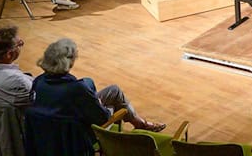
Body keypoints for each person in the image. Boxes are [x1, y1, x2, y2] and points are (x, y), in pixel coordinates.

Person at [31, 38, 165, 138]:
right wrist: (100, 105)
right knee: (115, 103)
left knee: (113, 90)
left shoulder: (38, 81)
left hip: (51, 135)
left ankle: (139, 122)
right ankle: (139, 124)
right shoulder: (76, 89)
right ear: (68, 63)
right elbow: (103, 118)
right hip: (80, 135)